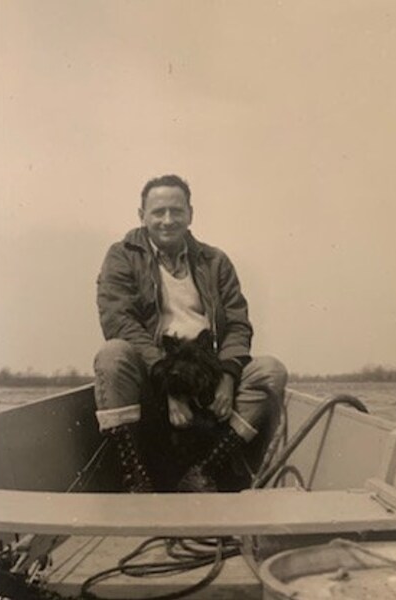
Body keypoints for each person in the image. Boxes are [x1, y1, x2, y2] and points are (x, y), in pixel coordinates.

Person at [93, 174, 287, 493]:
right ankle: (135, 477)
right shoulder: (121, 256)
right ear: (142, 216)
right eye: (158, 212)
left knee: (270, 371)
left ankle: (207, 469)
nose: (167, 220)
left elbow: (238, 323)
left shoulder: (216, 261)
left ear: (190, 214)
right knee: (112, 354)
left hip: (208, 372)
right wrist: (170, 387)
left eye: (176, 211)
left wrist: (227, 375)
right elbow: (120, 322)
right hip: (153, 373)